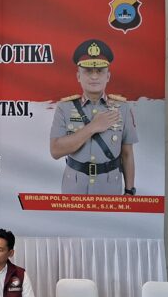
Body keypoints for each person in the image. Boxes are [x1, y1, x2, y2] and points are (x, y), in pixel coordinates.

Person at [50, 39, 138, 195]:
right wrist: (92, 127)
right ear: (78, 76)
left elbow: (127, 153)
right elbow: (55, 151)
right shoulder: (64, 108)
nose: (94, 76)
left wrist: (129, 191)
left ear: (108, 76)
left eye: (100, 71)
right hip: (74, 187)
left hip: (109, 187)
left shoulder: (123, 108)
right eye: (88, 71)